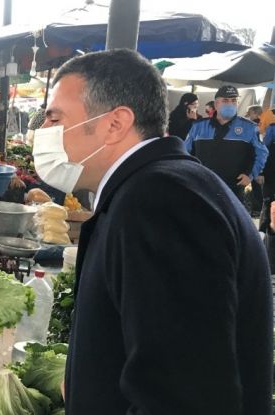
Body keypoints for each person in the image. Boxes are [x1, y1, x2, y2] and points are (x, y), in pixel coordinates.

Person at [34, 49, 272, 414]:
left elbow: (184, 397)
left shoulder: (160, 202)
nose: (43, 132)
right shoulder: (156, 187)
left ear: (115, 124)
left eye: (55, 118)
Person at [183, 85, 268, 203]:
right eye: (225, 100)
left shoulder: (249, 128)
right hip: (203, 186)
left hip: (233, 188)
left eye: (234, 100)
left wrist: (250, 174)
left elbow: (262, 152)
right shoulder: (199, 126)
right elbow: (185, 152)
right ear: (216, 104)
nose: (230, 104)